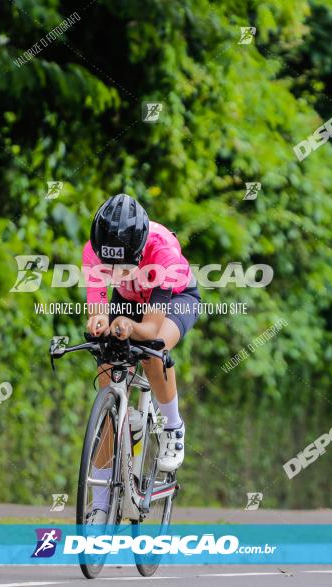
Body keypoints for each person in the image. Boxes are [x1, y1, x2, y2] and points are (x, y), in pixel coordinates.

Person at [82, 193, 201, 523]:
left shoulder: (163, 253)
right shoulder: (94, 250)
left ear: (139, 251)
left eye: (124, 265)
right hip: (130, 300)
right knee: (107, 367)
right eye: (110, 266)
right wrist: (100, 322)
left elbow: (150, 328)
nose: (116, 272)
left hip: (176, 300)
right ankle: (101, 507)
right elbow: (97, 312)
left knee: (154, 351)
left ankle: (173, 426)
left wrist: (127, 325)